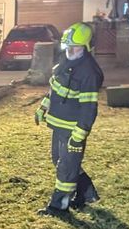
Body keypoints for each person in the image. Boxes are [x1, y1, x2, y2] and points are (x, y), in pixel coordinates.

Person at [33, 22, 104, 217]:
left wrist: (78, 136)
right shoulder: (65, 63)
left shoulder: (88, 72)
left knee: (66, 167)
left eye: (75, 48)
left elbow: (89, 108)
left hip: (72, 130)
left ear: (87, 47)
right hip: (58, 125)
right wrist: (42, 108)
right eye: (68, 47)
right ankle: (86, 193)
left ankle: (58, 207)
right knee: (59, 160)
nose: (70, 51)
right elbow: (55, 90)